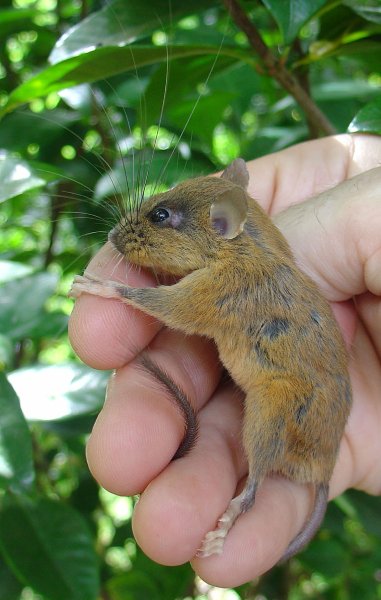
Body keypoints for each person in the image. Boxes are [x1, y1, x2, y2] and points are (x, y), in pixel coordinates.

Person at [68, 133, 381, 588]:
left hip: (302, 413)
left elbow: (177, 308)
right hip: (324, 392)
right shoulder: (232, 261)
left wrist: (112, 290)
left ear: (222, 225)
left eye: (162, 218)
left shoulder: (237, 273)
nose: (136, 232)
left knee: (271, 400)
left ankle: (246, 498)